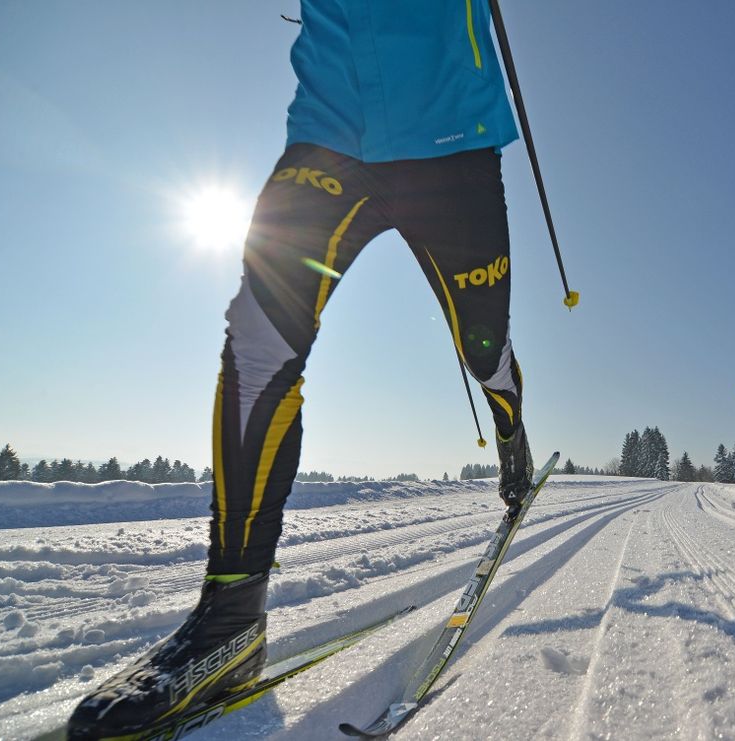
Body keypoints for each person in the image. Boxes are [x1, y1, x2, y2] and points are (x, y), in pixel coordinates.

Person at [68, 2, 535, 735]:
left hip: (450, 130)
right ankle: (230, 622)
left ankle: (513, 437)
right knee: (259, 337)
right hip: (331, 125)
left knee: (484, 347)